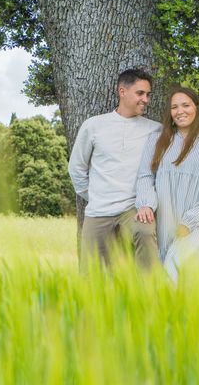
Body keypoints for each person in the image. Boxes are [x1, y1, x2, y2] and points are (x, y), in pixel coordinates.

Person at [69, 69, 162, 271]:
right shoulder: (93, 126)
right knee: (90, 274)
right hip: (99, 210)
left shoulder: (155, 129)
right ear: (122, 91)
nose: (145, 99)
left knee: (145, 233)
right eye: (140, 93)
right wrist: (94, 195)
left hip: (134, 209)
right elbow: (76, 168)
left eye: (148, 94)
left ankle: (151, 295)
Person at [135, 86, 199, 282]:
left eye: (186, 105)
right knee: (174, 276)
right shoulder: (157, 140)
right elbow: (145, 176)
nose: (180, 111)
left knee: (174, 269)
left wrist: (189, 221)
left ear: (196, 107)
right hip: (166, 219)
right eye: (174, 107)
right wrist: (145, 203)